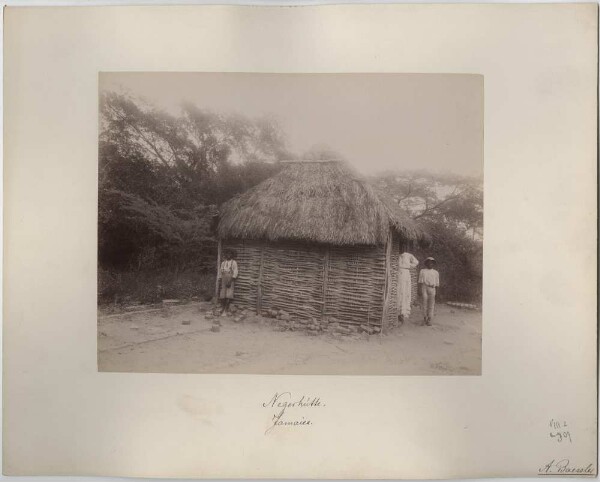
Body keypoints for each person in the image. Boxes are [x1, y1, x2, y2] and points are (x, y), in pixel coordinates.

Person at [397, 251, 419, 324]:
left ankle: (404, 312)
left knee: (406, 291)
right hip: (399, 273)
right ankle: (399, 312)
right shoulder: (397, 255)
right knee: (400, 291)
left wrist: (409, 265)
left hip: (406, 273)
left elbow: (416, 262)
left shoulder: (408, 255)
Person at [418, 257, 439, 326]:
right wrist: (419, 290)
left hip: (432, 288)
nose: (430, 264)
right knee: (424, 303)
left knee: (431, 304)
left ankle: (429, 319)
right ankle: (424, 318)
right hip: (424, 287)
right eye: (429, 262)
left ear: (433, 264)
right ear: (426, 263)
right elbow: (420, 281)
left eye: (432, 263)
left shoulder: (436, 272)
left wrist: (436, 292)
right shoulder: (422, 271)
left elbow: (437, 283)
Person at [218, 249, 238, 314]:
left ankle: (226, 308)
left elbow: (235, 271)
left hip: (230, 278)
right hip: (223, 278)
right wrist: (220, 280)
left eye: (230, 254)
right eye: (227, 254)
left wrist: (231, 280)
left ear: (232, 255)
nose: (228, 255)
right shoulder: (223, 263)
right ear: (225, 255)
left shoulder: (234, 262)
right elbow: (220, 272)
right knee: (222, 293)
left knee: (229, 293)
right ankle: (223, 307)